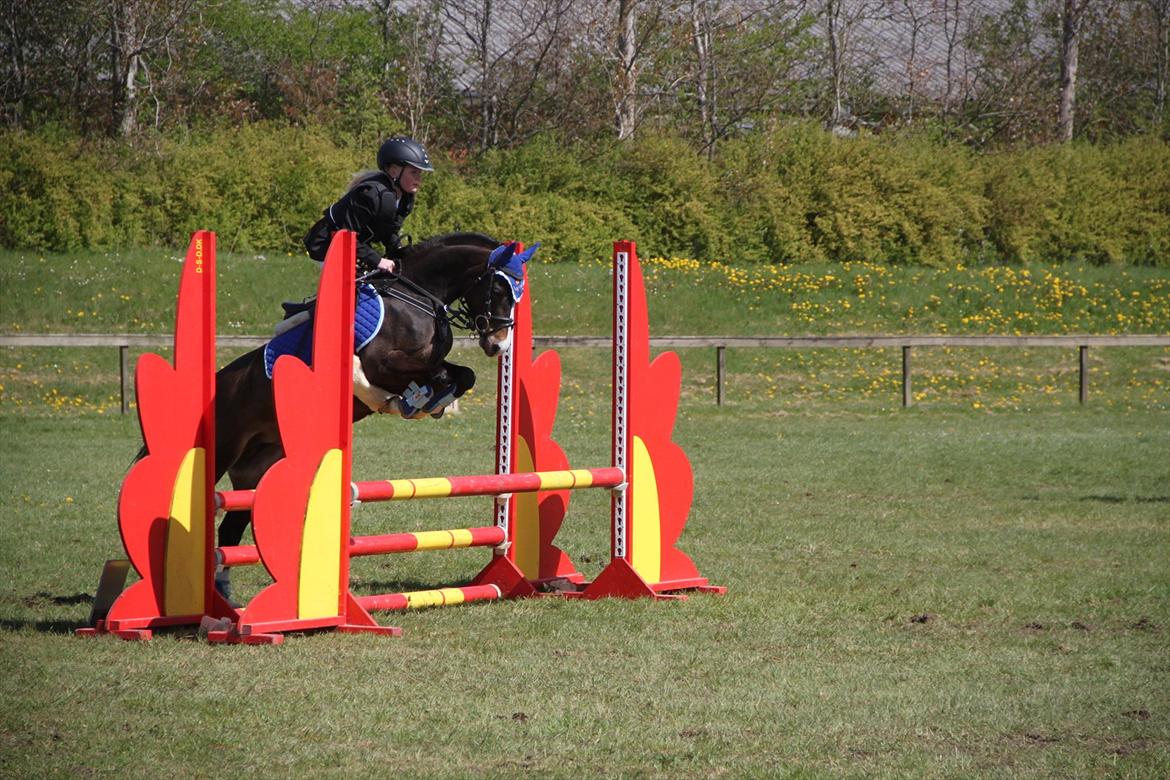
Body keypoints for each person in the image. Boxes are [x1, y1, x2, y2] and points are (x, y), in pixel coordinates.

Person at [303, 136, 433, 273]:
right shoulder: (370, 194)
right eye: (413, 172)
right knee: (360, 291)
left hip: (356, 246)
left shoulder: (406, 199)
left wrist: (402, 252)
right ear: (394, 170)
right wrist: (377, 260)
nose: (418, 179)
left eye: (420, 173)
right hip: (328, 244)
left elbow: (389, 231)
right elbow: (347, 236)